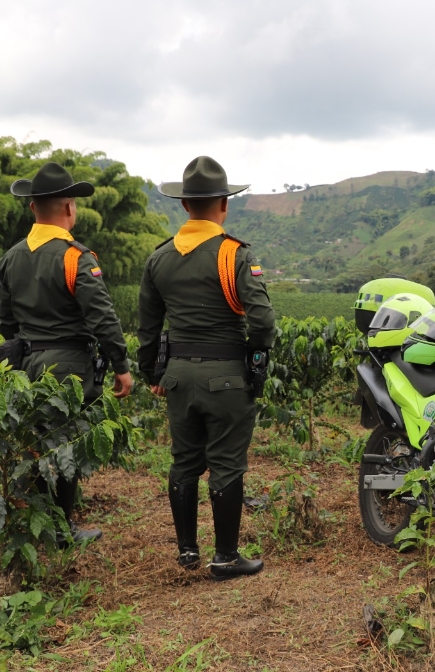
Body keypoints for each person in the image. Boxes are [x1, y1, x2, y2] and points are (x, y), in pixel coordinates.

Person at [137, 156, 275, 579]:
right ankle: (226, 556)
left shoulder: (159, 258)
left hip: (178, 377)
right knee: (227, 463)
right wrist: (256, 361)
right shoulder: (233, 254)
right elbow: (263, 320)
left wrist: (153, 374)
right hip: (226, 376)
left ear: (183, 206)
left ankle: (186, 551)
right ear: (224, 204)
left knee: (184, 462)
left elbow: (147, 324)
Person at [0, 161, 134, 544]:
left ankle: (39, 524)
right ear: (70, 208)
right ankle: (63, 529)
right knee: (66, 445)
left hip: (25, 364)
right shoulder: (75, 257)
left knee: (35, 443)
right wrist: (121, 365)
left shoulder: (10, 258)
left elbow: (4, 321)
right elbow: (103, 317)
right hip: (71, 365)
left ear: (32, 208)